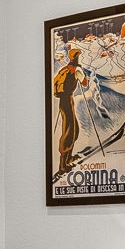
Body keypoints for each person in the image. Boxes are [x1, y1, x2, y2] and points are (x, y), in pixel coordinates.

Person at [51, 46, 83, 179]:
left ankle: (68, 159)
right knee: (69, 132)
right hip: (68, 101)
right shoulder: (76, 69)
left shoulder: (63, 69)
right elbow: (84, 82)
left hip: (62, 102)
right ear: (76, 57)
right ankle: (63, 165)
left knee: (73, 130)